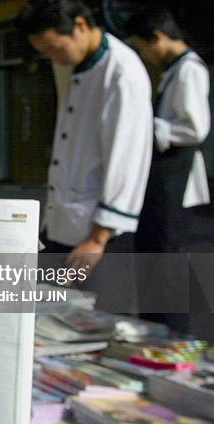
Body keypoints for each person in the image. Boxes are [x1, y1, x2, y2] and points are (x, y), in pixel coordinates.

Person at [17, 0, 153, 285]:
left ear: (80, 25)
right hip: (62, 222)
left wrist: (98, 239)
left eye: (55, 48)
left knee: (92, 319)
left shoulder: (122, 74)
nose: (54, 58)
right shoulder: (76, 65)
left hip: (98, 235)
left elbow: (126, 161)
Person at [126, 7, 211, 332]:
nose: (145, 55)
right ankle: (156, 327)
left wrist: (150, 126)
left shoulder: (189, 69)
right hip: (165, 180)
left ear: (158, 37)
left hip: (175, 180)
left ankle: (169, 334)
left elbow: (195, 128)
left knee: (167, 258)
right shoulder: (177, 70)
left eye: (143, 46)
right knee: (156, 257)